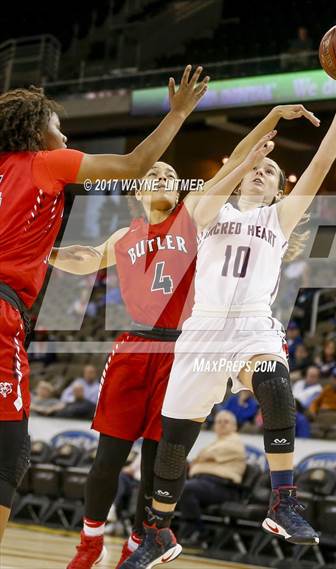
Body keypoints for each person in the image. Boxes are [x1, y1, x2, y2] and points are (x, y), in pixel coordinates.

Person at [121, 78, 336, 569]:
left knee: (276, 382)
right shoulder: (211, 210)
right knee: (175, 440)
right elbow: (223, 179)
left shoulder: (279, 219)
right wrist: (248, 153)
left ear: (280, 187)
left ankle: (283, 501)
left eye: (272, 170)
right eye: (257, 167)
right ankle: (158, 532)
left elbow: (321, 164)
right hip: (203, 329)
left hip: (254, 323)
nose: (262, 173)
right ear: (241, 175)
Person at [53, 102, 311, 568]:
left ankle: (141, 542)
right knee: (108, 456)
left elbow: (234, 165)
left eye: (171, 172)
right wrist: (43, 253)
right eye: (154, 172)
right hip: (135, 344)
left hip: (185, 345)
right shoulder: (124, 236)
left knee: (159, 458)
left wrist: (263, 135)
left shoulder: (197, 218)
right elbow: (87, 258)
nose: (164, 176)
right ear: (138, 191)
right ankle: (89, 543)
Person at [0, 67, 207, 543]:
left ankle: (137, 538)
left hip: (170, 346)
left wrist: (44, 255)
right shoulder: (43, 162)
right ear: (36, 132)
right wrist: (177, 115)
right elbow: (135, 164)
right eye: (57, 126)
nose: (65, 134)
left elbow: (77, 258)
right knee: (9, 454)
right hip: (7, 311)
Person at [178, 410, 246, 546]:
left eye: (226, 422)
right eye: (218, 422)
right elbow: (200, 458)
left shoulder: (235, 441)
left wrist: (201, 459)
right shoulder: (216, 442)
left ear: (234, 426)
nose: (221, 424)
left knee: (186, 488)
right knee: (175, 488)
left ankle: (200, 532)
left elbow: (206, 455)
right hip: (204, 483)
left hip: (224, 488)